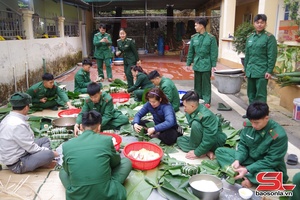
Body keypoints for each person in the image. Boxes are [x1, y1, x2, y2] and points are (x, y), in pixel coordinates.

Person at [59, 110, 132, 200]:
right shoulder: (106, 140)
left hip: (78, 196)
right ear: (99, 127)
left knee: (62, 171)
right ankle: (108, 184)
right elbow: (115, 163)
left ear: (81, 127)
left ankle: (77, 189)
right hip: (107, 194)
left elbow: (67, 170)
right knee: (126, 162)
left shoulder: (67, 145)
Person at [215, 101, 288, 188]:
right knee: (220, 151)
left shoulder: (278, 135)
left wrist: (247, 169)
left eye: (256, 123)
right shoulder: (249, 125)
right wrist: (238, 160)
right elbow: (243, 145)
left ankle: (247, 176)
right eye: (251, 122)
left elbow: (271, 161)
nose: (253, 125)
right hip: (249, 159)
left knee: (274, 177)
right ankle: (245, 173)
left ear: (266, 118)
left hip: (266, 166)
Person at [0, 92, 58, 174]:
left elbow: (28, 144)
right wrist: (53, 153)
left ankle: (40, 160)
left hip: (22, 150)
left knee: (45, 140)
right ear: (26, 107)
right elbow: (31, 148)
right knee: (49, 154)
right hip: (17, 163)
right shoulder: (17, 124)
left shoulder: (9, 118)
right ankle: (42, 160)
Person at [177, 91, 226, 160]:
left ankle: (203, 150)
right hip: (200, 139)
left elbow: (209, 139)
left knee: (195, 124)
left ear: (192, 106)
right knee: (180, 140)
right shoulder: (190, 111)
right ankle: (206, 152)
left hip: (214, 141)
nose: (184, 109)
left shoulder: (206, 115)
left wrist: (197, 152)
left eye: (185, 106)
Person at [244, 14, 277, 104]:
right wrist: (246, 70)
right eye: (257, 22)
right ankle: (252, 114)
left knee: (260, 95)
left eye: (262, 23)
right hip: (250, 71)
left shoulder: (269, 37)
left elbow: (272, 55)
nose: (259, 24)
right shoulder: (250, 37)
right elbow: (247, 55)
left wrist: (269, 71)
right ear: (254, 24)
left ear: (265, 24)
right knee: (250, 94)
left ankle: (261, 116)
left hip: (262, 71)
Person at [185, 17, 218, 106]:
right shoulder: (194, 37)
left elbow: (213, 52)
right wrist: (188, 63)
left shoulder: (211, 38)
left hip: (206, 63)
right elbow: (191, 51)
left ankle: (206, 101)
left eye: (196, 25)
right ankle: (197, 99)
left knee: (206, 83)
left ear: (201, 26)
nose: (195, 27)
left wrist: (213, 65)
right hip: (197, 63)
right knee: (197, 83)